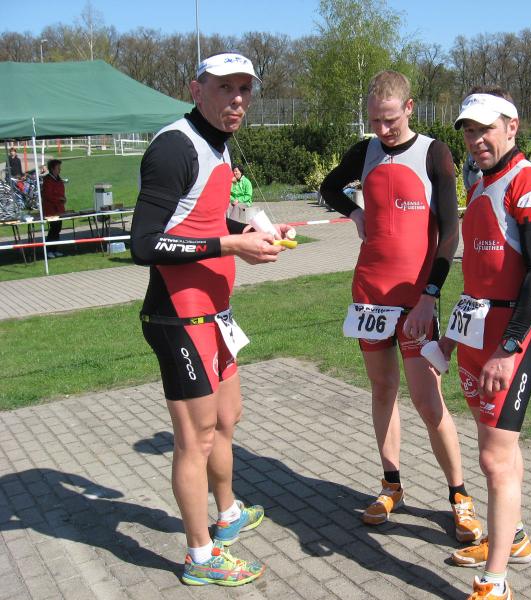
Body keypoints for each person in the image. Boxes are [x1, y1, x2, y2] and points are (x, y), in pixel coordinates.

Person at [130, 52, 293, 587]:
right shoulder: (174, 146)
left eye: (245, 88)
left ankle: (227, 514)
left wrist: (254, 231)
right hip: (178, 318)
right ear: (196, 90)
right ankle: (200, 557)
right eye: (225, 88)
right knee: (195, 438)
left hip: (216, 314)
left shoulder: (218, 145)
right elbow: (144, 243)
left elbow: (200, 216)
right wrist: (229, 244)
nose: (237, 99)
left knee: (227, 418)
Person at [320, 70, 483, 544]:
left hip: (416, 299)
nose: (383, 129)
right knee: (382, 390)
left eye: (390, 119)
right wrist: (355, 213)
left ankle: (459, 495)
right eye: (374, 120)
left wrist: (430, 296)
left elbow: (449, 233)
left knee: (429, 402)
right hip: (370, 292)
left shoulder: (434, 152)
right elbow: (330, 187)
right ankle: (391, 484)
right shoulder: (365, 151)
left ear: (409, 108)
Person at [430, 87, 531, 600]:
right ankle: (514, 538)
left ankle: (496, 581)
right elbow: (479, 278)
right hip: (477, 333)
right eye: (468, 130)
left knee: (493, 458)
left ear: (512, 126)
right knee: (500, 450)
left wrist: (508, 349)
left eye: (485, 128)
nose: (476, 139)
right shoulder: (481, 183)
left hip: (512, 339)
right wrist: (449, 337)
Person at [41, 158, 66, 257]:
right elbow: (48, 195)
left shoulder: (58, 179)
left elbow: (61, 191)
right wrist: (59, 198)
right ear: (52, 169)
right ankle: (49, 250)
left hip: (59, 209)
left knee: (57, 229)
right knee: (53, 229)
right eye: (58, 168)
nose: (60, 169)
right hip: (51, 210)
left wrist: (63, 198)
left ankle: (55, 250)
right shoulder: (48, 180)